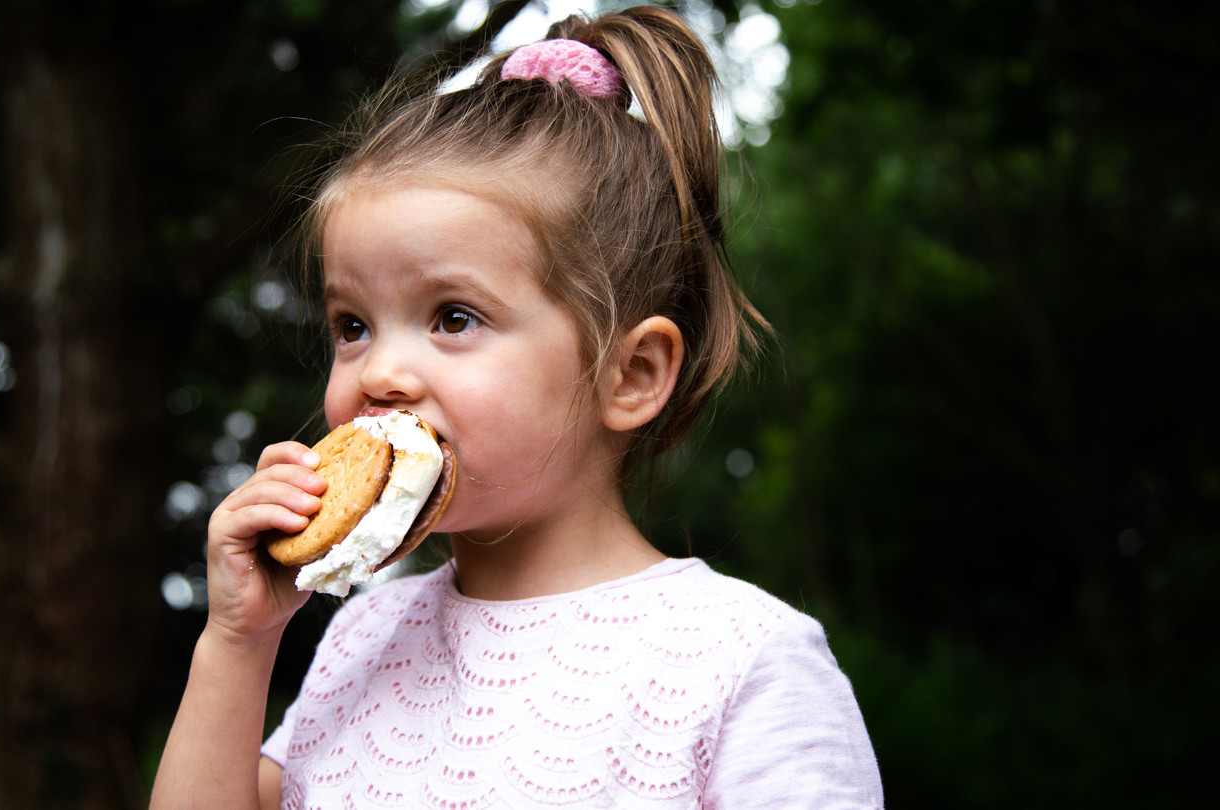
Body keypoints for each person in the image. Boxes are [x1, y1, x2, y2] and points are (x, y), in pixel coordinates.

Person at [151, 6, 883, 808]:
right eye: (352, 326)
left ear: (630, 375)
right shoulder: (362, 635)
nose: (380, 372)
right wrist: (238, 642)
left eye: (453, 317)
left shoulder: (740, 661)